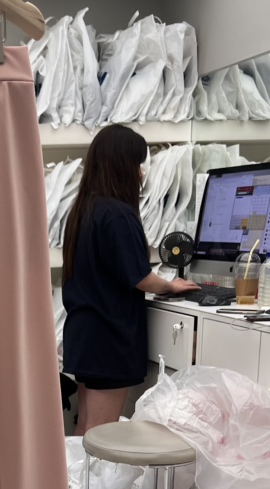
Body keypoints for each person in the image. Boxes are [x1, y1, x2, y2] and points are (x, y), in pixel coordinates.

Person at [61, 124, 199, 436]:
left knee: (87, 427)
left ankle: (79, 472)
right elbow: (140, 278)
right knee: (102, 433)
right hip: (108, 339)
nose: (141, 173)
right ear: (122, 165)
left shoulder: (84, 209)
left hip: (86, 336)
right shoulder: (117, 214)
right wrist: (170, 285)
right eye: (138, 164)